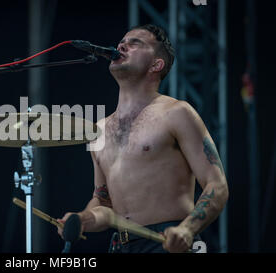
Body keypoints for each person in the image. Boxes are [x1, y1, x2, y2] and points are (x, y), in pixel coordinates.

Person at [57, 24, 229, 253]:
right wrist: (82, 219)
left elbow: (216, 184)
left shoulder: (177, 113)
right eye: (122, 41)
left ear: (156, 64)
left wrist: (188, 229)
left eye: (135, 43)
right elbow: (103, 201)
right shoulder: (98, 129)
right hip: (119, 245)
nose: (121, 46)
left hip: (165, 243)